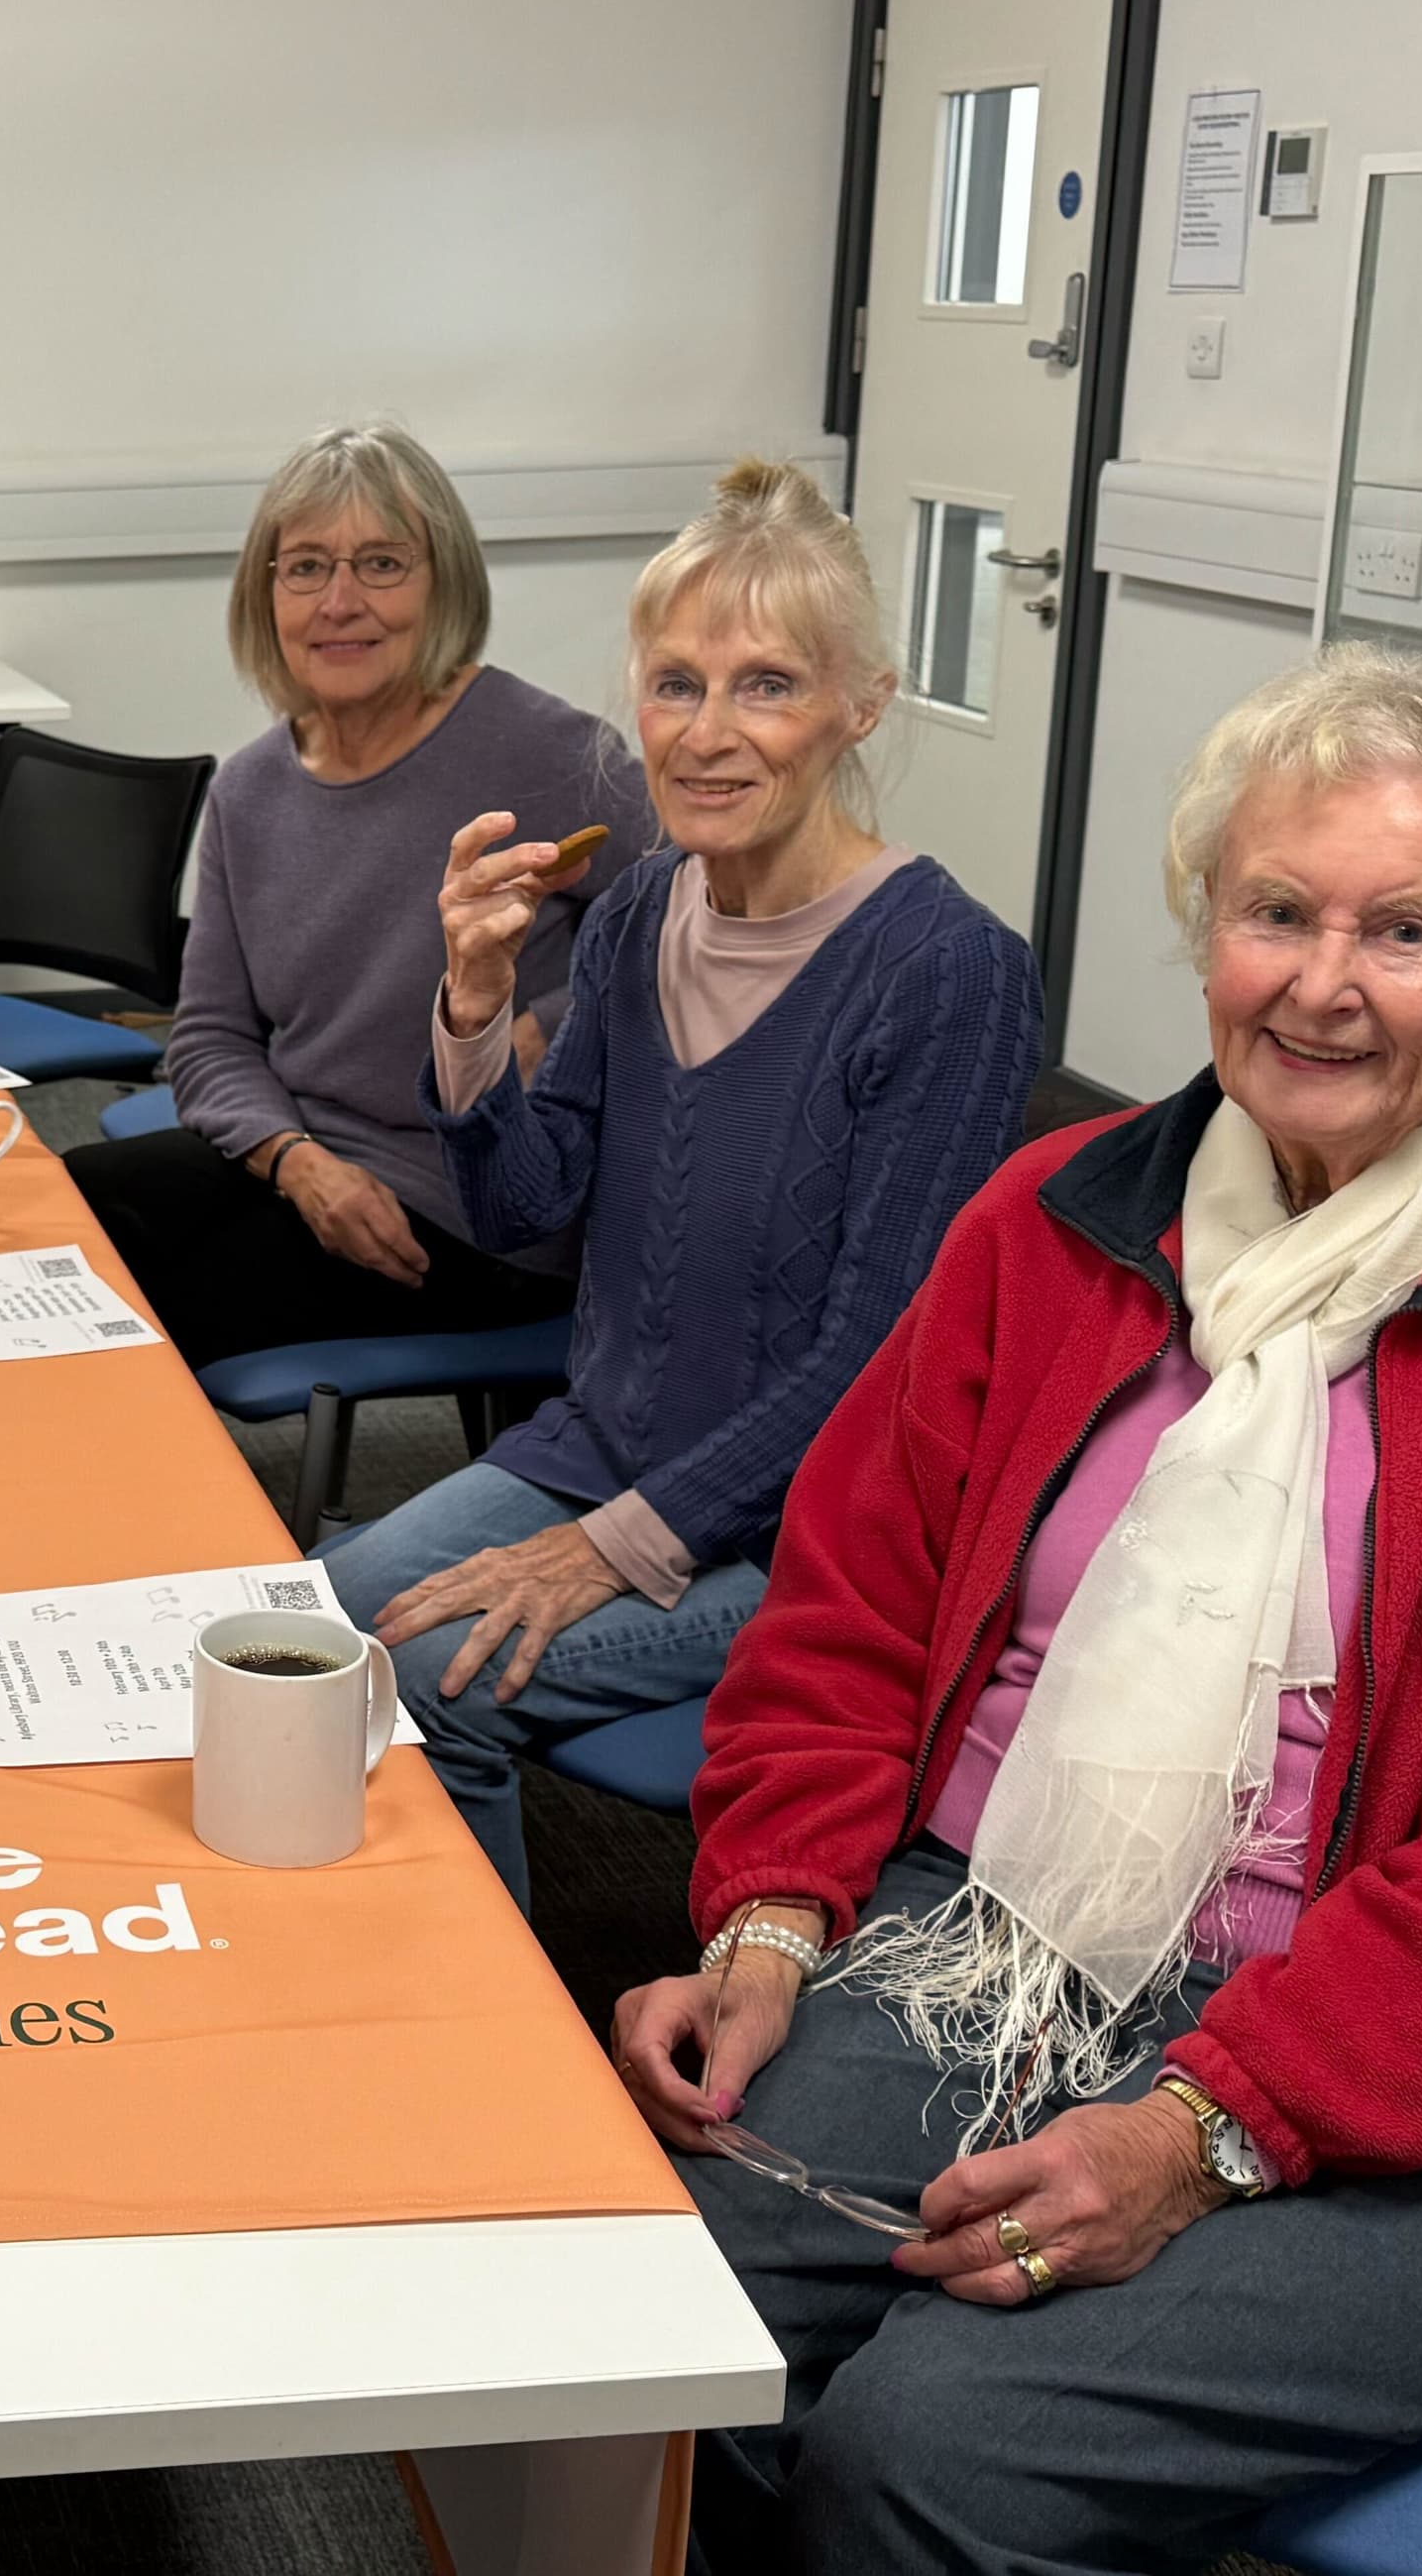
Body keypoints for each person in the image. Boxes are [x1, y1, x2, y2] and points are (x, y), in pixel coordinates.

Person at [616, 647, 1422, 2573]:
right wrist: (772, 1920)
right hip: (1000, 1926)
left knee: (937, 2447)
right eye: (1278, 910)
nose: (1322, 982)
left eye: (1410, 931)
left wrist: (1204, 2126)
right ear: (1208, 923)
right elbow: (845, 1618)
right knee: (651, 2297)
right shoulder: (1057, 1219)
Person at [317, 463, 1039, 1905]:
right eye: (675, 685)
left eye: (765, 686)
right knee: (309, 1628)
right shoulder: (646, 905)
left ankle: (493, 2068)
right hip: (606, 1447)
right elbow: (528, 1203)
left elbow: (873, 1362)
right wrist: (470, 1003)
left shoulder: (949, 969)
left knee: (426, 1675)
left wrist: (607, 1552)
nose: (707, 737)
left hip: (815, 1535)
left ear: (860, 705)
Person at [66, 423, 659, 1368]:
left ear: (446, 583)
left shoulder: (540, 751)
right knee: (54, 1224)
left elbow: (704, 914)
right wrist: (297, 1164)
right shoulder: (251, 790)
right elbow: (211, 1034)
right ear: (267, 597)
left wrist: (555, 1020)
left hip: (477, 1208)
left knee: (113, 1329)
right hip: (306, 1164)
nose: (341, 602)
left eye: (382, 563)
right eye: (306, 567)